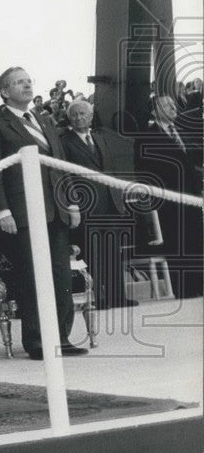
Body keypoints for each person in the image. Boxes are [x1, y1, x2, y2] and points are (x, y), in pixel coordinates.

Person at [0, 67, 87, 360]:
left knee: (60, 276)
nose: (26, 85)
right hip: (23, 214)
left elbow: (61, 163)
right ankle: (37, 341)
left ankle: (61, 338)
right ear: (5, 91)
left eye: (28, 81)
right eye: (18, 82)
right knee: (34, 277)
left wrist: (71, 203)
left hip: (57, 211)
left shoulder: (45, 121)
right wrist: (2, 211)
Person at [60, 100, 133, 309]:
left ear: (91, 116)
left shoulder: (101, 138)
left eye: (83, 114)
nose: (79, 118)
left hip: (110, 203)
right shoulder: (64, 142)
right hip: (86, 205)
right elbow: (66, 176)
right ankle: (98, 298)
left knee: (112, 251)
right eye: (74, 115)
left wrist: (119, 199)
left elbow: (111, 170)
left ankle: (118, 296)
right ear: (69, 118)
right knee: (92, 253)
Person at [134, 94, 203, 299]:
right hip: (169, 205)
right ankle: (184, 292)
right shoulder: (146, 137)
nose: (173, 107)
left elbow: (194, 165)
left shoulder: (183, 133)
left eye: (173, 104)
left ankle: (198, 290)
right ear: (155, 111)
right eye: (167, 105)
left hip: (192, 201)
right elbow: (146, 172)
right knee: (178, 247)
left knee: (196, 245)